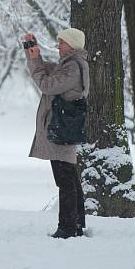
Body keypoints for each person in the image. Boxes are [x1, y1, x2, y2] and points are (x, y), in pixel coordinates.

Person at [22, 28, 89, 239]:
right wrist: (34, 55)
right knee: (70, 178)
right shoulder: (69, 65)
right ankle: (76, 224)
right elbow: (48, 70)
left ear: (72, 45)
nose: (58, 46)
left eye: (62, 42)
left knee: (65, 180)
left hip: (61, 130)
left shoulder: (72, 68)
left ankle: (67, 228)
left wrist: (36, 65)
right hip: (63, 129)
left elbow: (47, 84)